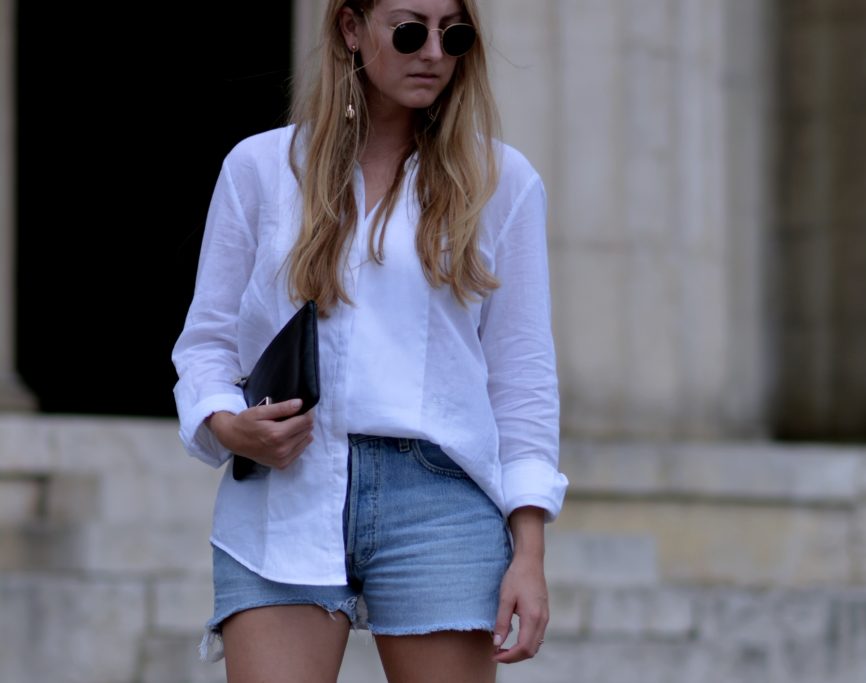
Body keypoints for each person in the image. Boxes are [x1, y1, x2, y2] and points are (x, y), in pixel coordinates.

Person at [171, 0, 568, 681]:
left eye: (456, 33)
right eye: (410, 30)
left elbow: (522, 380)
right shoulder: (261, 168)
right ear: (351, 29)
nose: (435, 53)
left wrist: (528, 550)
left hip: (440, 501)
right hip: (283, 491)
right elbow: (206, 342)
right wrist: (228, 423)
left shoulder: (502, 182)